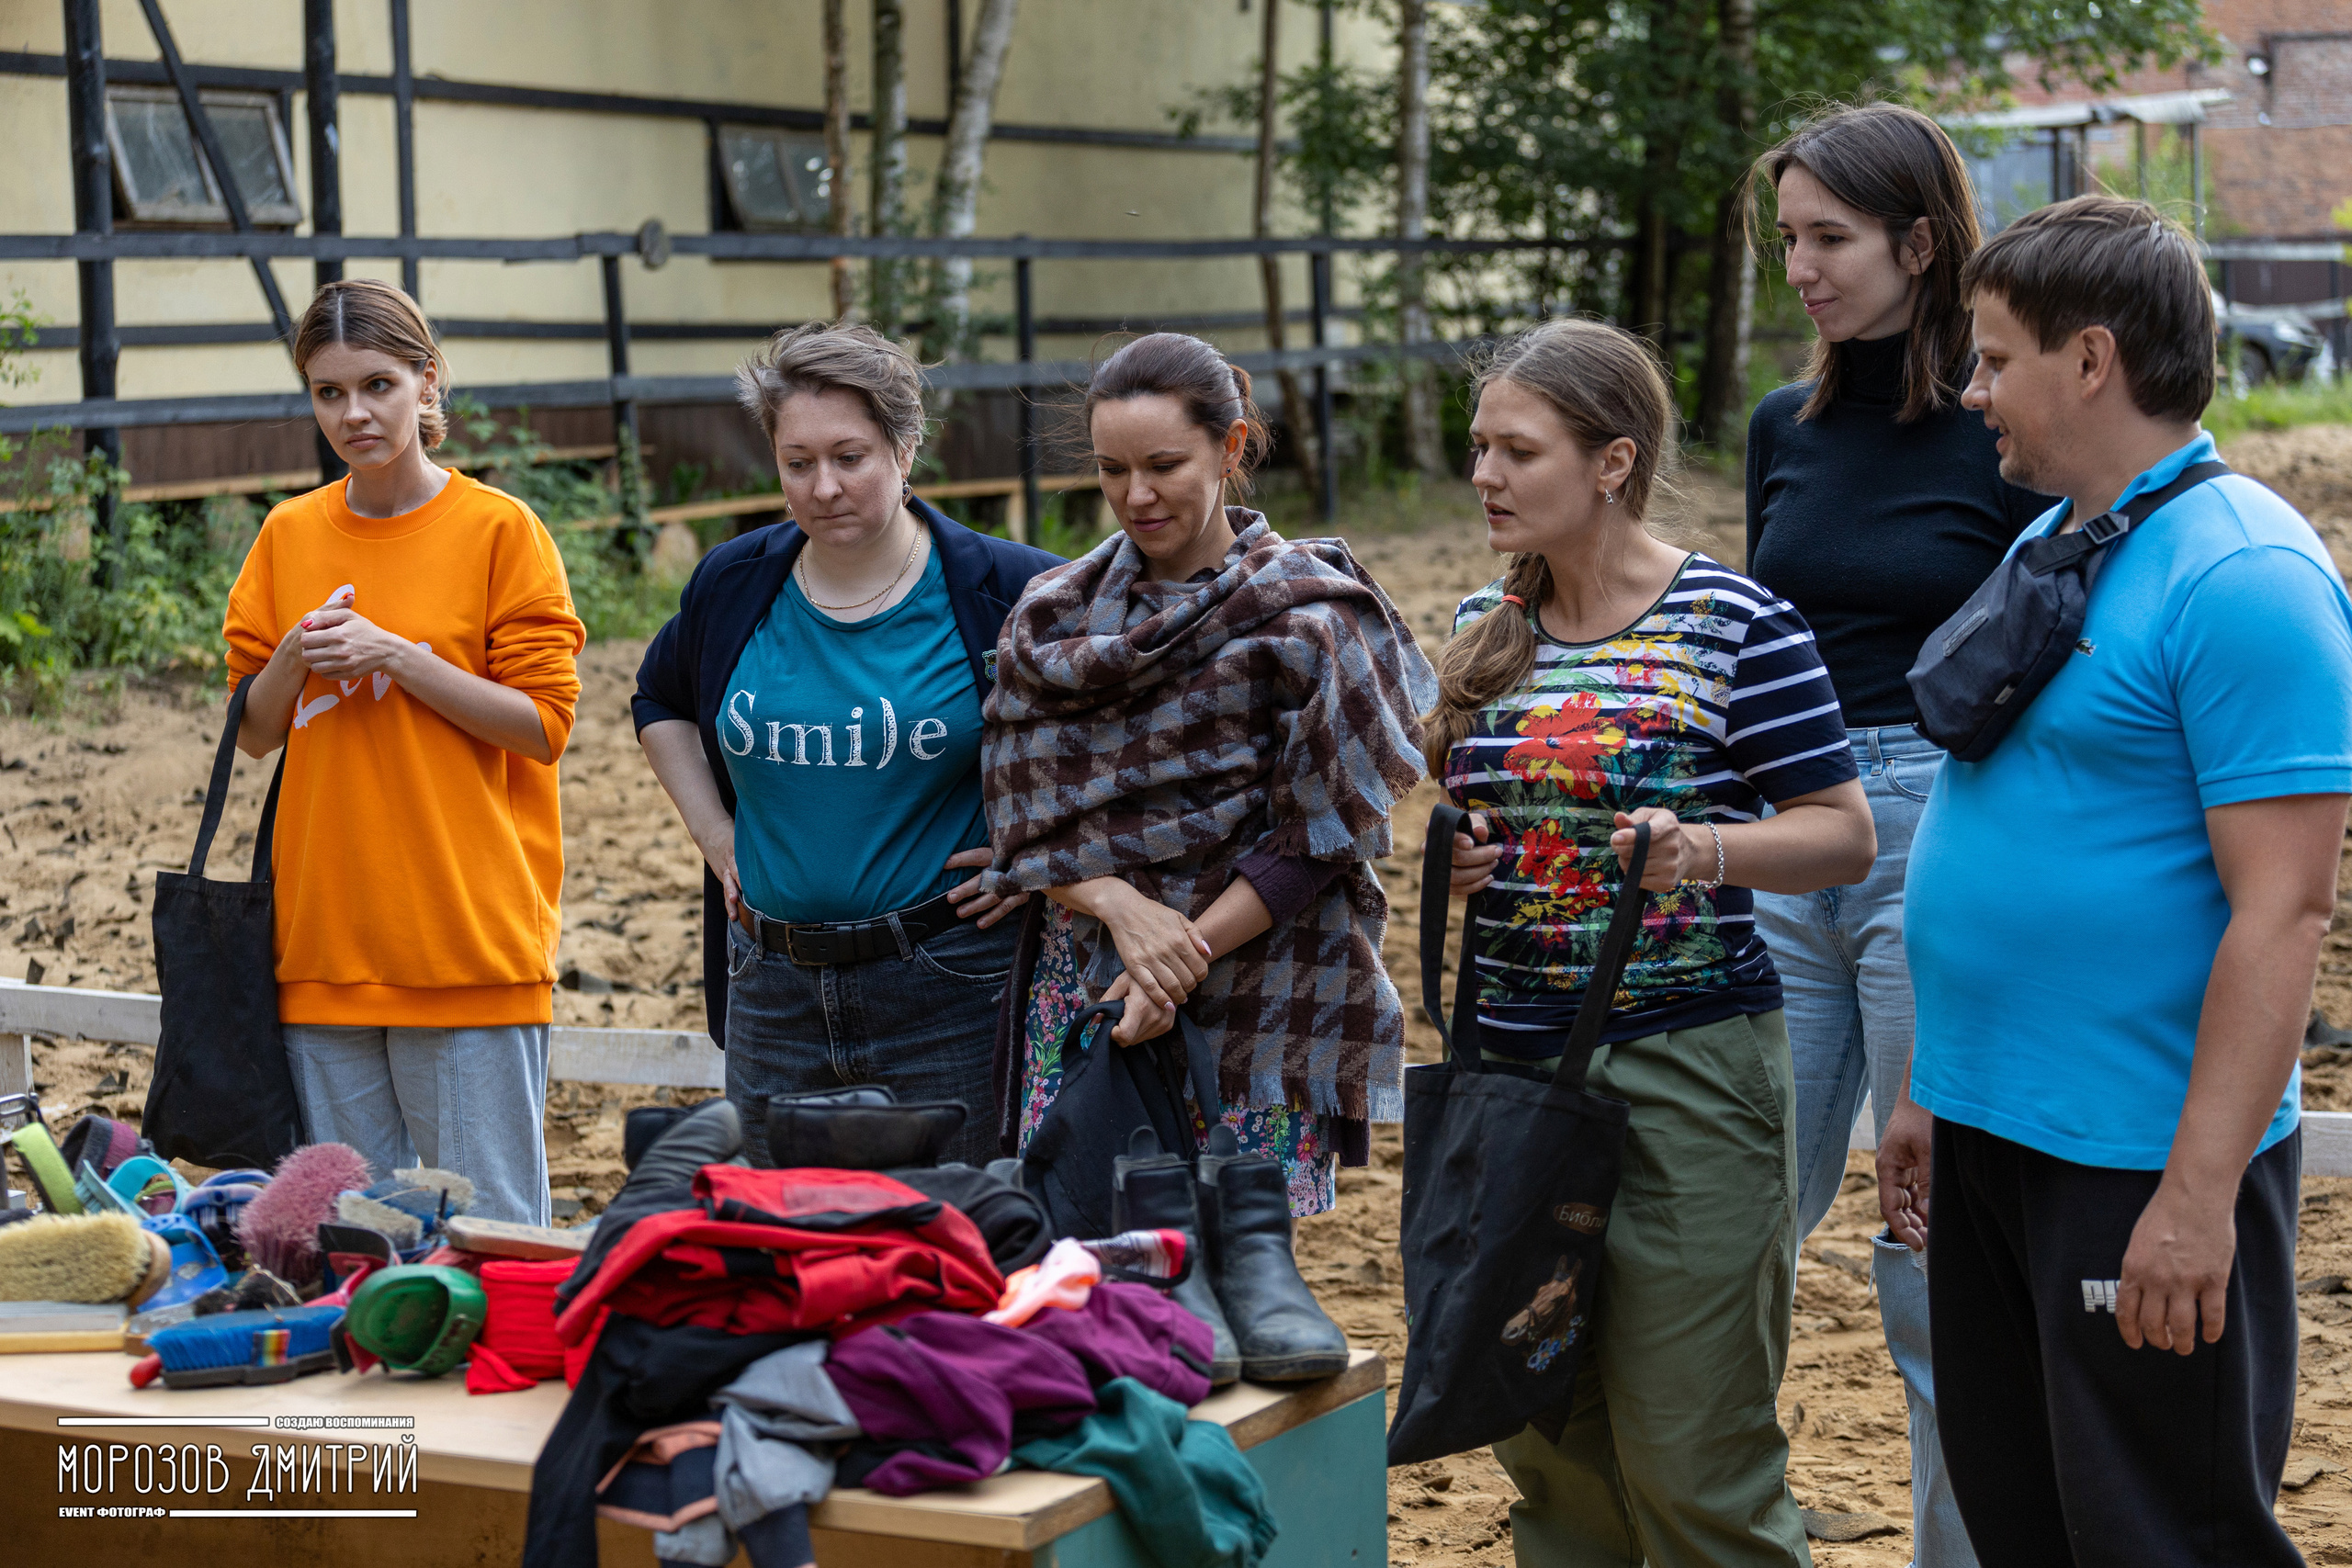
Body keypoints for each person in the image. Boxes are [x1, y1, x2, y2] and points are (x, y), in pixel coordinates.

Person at [1907, 195, 2352, 1566]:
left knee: (2164, 1537)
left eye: (1994, 359)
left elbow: (2285, 908)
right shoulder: (2062, 539)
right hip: (1995, 1131)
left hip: (2135, 1156)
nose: (1971, 391)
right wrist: (1932, 1088)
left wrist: (2198, 1195)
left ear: (2090, 360)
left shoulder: (2247, 573)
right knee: (2026, 1522)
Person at [1437, 317, 1877, 1568]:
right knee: (1550, 1450)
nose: (1485, 475)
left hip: (1691, 1073)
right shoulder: (1482, 622)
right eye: (1480, 446)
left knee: (1695, 1459)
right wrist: (1464, 860)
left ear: (1613, 461)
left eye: (1519, 450)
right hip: (1513, 1074)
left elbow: (1842, 835)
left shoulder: (1735, 621)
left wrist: (1706, 851)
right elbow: (1483, 818)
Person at [1742, 101, 2051, 1565]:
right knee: (1736, 1215)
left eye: (1830, 238)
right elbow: (1760, 645)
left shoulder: (2006, 433)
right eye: (1787, 238)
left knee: (1932, 1239)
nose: (1800, 267)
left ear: (1921, 244)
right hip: (1785, 829)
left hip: (1942, 829)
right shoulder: (1781, 428)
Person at [982, 333, 1436, 1219]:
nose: (1136, 496)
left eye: (1163, 466)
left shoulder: (1313, 618)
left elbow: (1319, 839)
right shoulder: (1052, 618)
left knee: (1239, 1271)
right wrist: (1121, 910)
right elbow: (1022, 824)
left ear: (1230, 449)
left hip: (1256, 999)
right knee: (1082, 1253)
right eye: (1112, 470)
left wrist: (1175, 957)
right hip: (1089, 990)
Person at [633, 322, 1061, 1168]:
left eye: (849, 457)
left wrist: (1042, 849)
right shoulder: (735, 582)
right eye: (798, 463)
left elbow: (1119, 739)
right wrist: (715, 834)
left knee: (951, 1227)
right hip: (770, 987)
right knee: (780, 1230)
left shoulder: (1014, 592)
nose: (823, 486)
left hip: (951, 983)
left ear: (906, 448)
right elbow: (661, 698)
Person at [223, 278, 584, 1225]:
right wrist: (294, 656)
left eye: (377, 385)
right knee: (353, 1247)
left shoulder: (501, 531)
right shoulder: (287, 534)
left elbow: (544, 725)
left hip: (466, 942)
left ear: (428, 383)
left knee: (493, 1239)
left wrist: (398, 657)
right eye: (328, 392)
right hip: (320, 945)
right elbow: (252, 733)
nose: (354, 413)